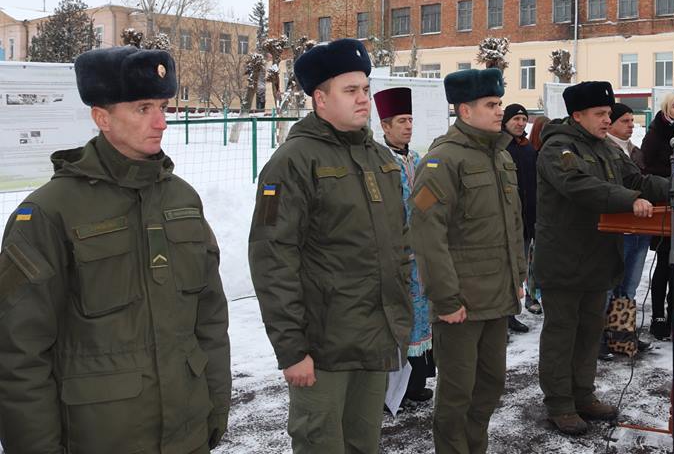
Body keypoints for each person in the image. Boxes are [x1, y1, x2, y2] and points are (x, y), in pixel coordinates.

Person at [0, 46, 231, 453]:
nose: (161, 121)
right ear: (101, 117)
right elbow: (18, 352)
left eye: (162, 106)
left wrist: (215, 409)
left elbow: (210, 318)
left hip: (188, 434)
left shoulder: (182, 200)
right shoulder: (47, 214)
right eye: (143, 108)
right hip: (99, 438)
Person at [249, 39, 413, 454]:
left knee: (364, 442)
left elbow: (397, 246)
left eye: (365, 88)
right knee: (321, 443)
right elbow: (272, 258)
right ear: (320, 99)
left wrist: (400, 322)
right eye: (350, 91)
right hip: (323, 348)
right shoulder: (292, 162)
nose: (363, 99)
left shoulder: (379, 157)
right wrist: (291, 349)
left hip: (374, 338)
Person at [536, 81, 674, 435]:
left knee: (588, 332)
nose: (607, 119)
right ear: (577, 115)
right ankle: (559, 403)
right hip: (565, 259)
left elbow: (639, 179)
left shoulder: (607, 149)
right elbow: (579, 186)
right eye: (600, 114)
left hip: (598, 256)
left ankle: (582, 394)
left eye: (607, 113)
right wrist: (626, 199)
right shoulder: (559, 148)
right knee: (562, 334)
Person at [409, 68, 526, 453]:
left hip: (497, 298)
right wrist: (445, 299)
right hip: (460, 304)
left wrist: (518, 277)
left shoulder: (500, 156)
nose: (500, 111)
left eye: (499, 103)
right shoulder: (441, 162)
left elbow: (512, 224)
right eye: (491, 105)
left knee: (490, 386)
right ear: (464, 110)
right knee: (457, 396)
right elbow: (428, 236)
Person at [374, 86, 436, 407]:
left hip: (420, 254)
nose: (409, 125)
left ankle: (415, 384)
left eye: (411, 119)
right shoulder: (378, 160)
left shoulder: (415, 157)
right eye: (401, 120)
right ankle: (389, 392)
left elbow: (419, 198)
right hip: (396, 255)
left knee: (421, 317)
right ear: (385, 126)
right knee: (399, 321)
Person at [639, 91, 674, 340]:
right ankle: (658, 314)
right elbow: (647, 168)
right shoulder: (655, 134)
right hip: (664, 205)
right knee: (664, 263)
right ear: (666, 110)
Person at [604, 102, 652, 356]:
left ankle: (623, 334)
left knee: (630, 286)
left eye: (632, 120)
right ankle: (601, 336)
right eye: (624, 121)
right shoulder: (605, 149)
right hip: (618, 226)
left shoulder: (635, 150)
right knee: (611, 284)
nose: (631, 125)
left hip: (641, 225)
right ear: (609, 123)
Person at [502, 103, 538, 325]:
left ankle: (512, 314)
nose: (521, 123)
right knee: (506, 268)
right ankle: (504, 315)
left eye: (524, 119)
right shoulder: (501, 147)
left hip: (527, 219)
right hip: (507, 219)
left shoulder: (527, 147)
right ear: (506, 121)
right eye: (516, 119)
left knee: (520, 268)